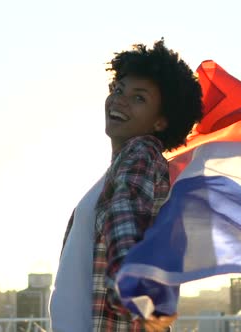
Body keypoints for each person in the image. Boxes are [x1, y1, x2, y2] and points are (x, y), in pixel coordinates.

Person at [50, 39, 203, 332]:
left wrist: (130, 285)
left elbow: (126, 211)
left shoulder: (141, 154)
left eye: (139, 98)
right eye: (118, 90)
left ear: (160, 122)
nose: (119, 99)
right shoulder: (120, 168)